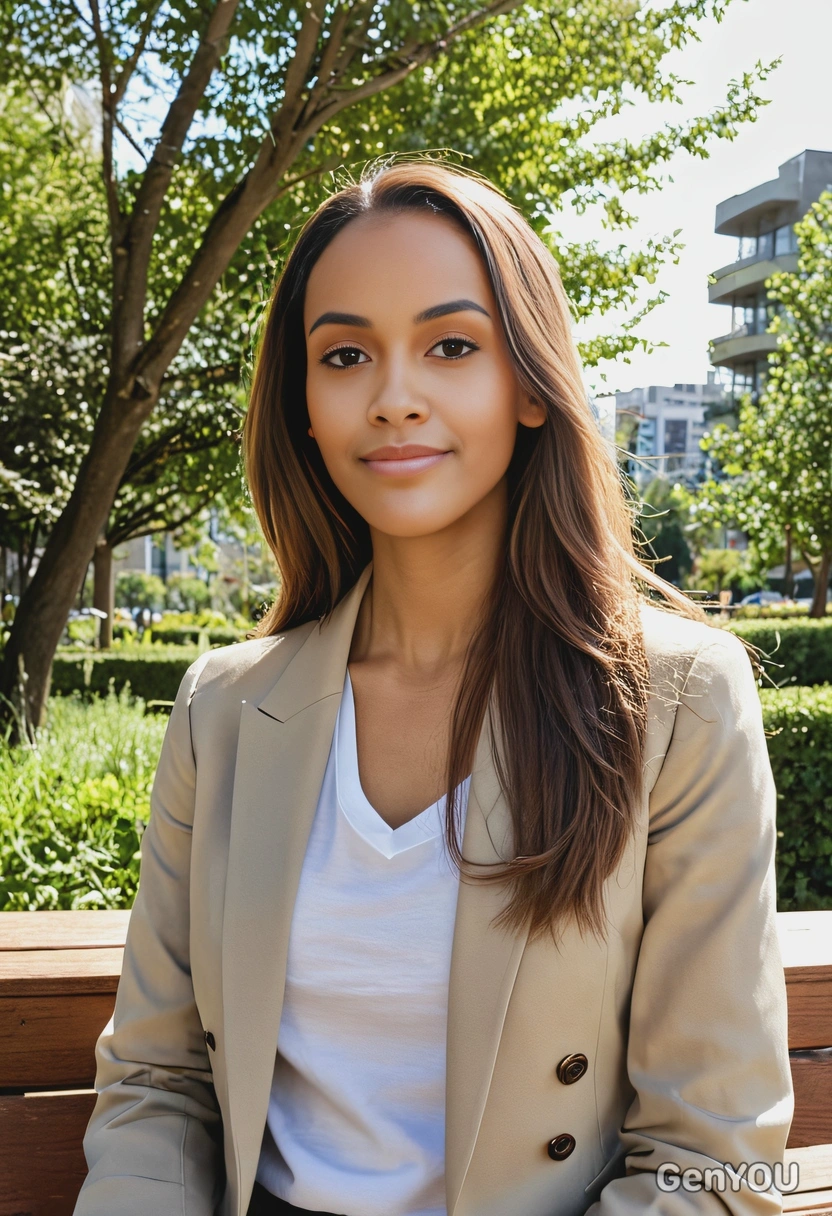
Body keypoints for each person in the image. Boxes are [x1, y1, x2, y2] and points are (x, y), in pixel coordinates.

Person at [74, 161, 792, 1216]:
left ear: (534, 386)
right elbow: (158, 1079)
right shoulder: (224, 709)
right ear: (305, 406)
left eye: (452, 346)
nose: (393, 395)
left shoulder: (677, 699)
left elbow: (715, 1159)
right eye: (345, 354)